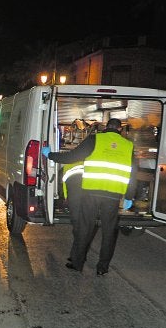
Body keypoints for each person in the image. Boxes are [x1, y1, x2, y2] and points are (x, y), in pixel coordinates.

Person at [42, 117, 137, 275]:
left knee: (85, 227)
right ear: (120, 129)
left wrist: (50, 155)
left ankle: (77, 263)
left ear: (106, 127)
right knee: (109, 232)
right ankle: (102, 268)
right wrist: (129, 196)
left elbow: (72, 157)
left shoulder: (95, 139)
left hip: (91, 192)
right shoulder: (128, 146)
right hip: (113, 195)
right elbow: (132, 174)